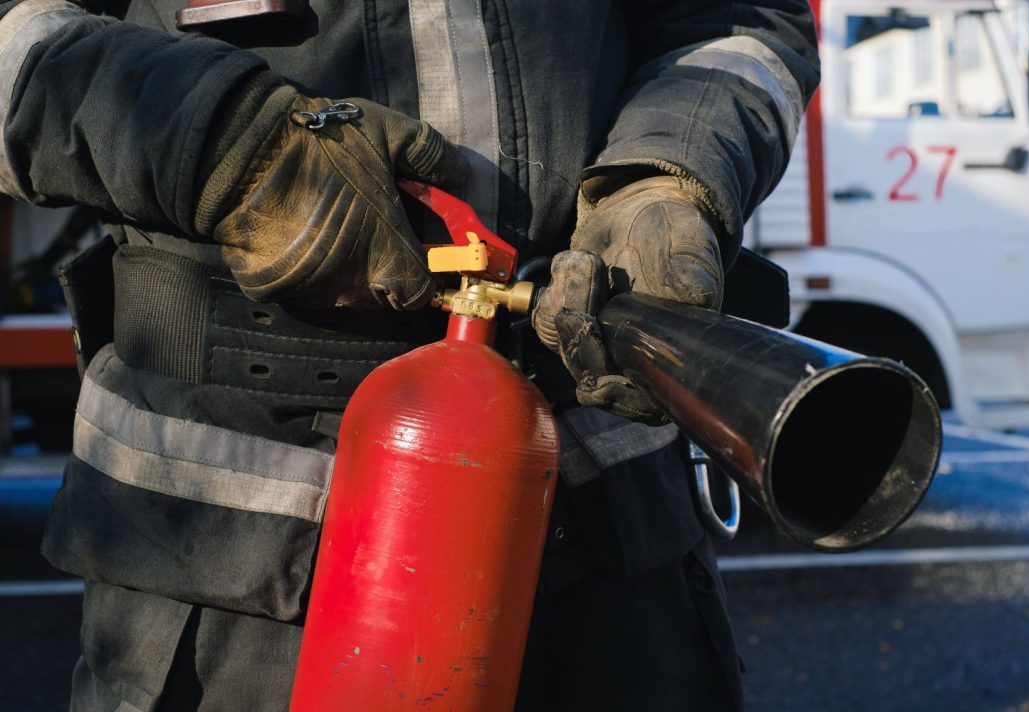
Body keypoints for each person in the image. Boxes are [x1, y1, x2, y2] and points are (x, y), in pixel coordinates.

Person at [0, 0, 818, 709]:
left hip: (612, 571)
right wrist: (227, 147)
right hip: (235, 594)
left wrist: (671, 176)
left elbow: (736, 20)